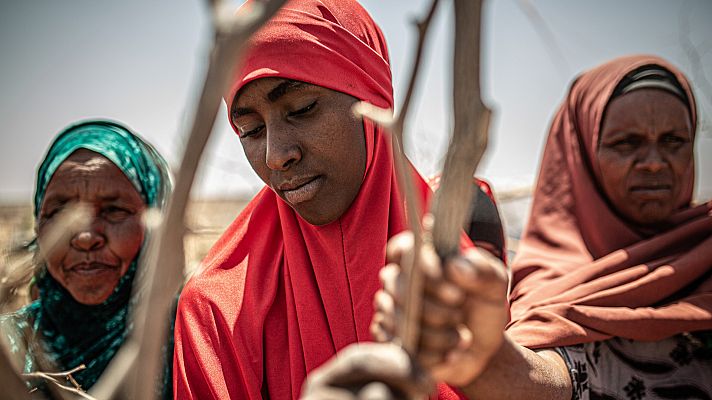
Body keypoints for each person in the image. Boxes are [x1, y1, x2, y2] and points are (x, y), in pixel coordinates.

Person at [172, 1, 485, 398]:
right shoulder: (216, 311)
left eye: (302, 109)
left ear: (375, 102)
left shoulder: (465, 256)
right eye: (250, 130)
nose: (275, 155)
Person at [374, 54, 712, 399]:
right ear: (579, 155)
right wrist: (483, 361)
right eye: (626, 143)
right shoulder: (552, 287)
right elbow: (545, 378)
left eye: (674, 141)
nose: (655, 163)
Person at [0, 120, 173, 397]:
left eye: (114, 210)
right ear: (38, 225)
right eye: (59, 212)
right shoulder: (8, 346)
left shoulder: (196, 340)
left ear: (155, 217)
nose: (85, 237)